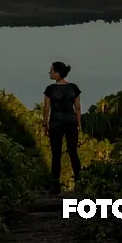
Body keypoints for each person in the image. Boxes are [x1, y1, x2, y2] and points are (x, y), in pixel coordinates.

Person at [42, 61, 82, 195]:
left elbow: (46, 108)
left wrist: (45, 124)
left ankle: (55, 186)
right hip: (70, 123)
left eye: (51, 70)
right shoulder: (73, 88)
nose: (49, 73)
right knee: (73, 152)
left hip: (56, 123)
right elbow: (77, 108)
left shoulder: (50, 89)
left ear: (57, 72)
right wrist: (79, 123)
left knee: (56, 155)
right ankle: (80, 182)